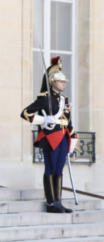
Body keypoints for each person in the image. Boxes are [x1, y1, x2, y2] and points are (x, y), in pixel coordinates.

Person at [21, 56, 77, 213]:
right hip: (50, 137)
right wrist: (44, 119)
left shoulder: (64, 100)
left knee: (59, 169)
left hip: (63, 136)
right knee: (50, 168)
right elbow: (25, 113)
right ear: (52, 82)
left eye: (64, 81)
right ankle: (50, 203)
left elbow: (68, 121)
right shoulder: (45, 99)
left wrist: (73, 137)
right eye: (60, 81)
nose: (63, 83)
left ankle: (58, 201)